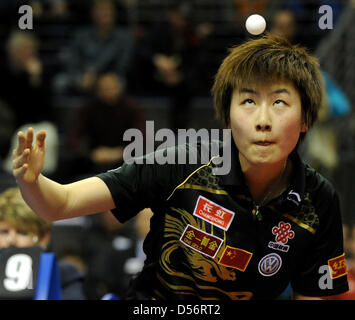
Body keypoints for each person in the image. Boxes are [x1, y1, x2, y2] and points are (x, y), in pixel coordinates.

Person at [12, 34, 349, 300]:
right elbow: (60, 204)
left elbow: (313, 295)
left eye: (279, 102)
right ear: (227, 118)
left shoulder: (318, 200)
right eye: (248, 102)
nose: (263, 121)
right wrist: (32, 182)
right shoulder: (179, 163)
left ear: (305, 118)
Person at [0, 187, 86, 299]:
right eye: (4, 232)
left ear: (44, 238)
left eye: (23, 232)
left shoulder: (63, 274)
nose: (11, 240)